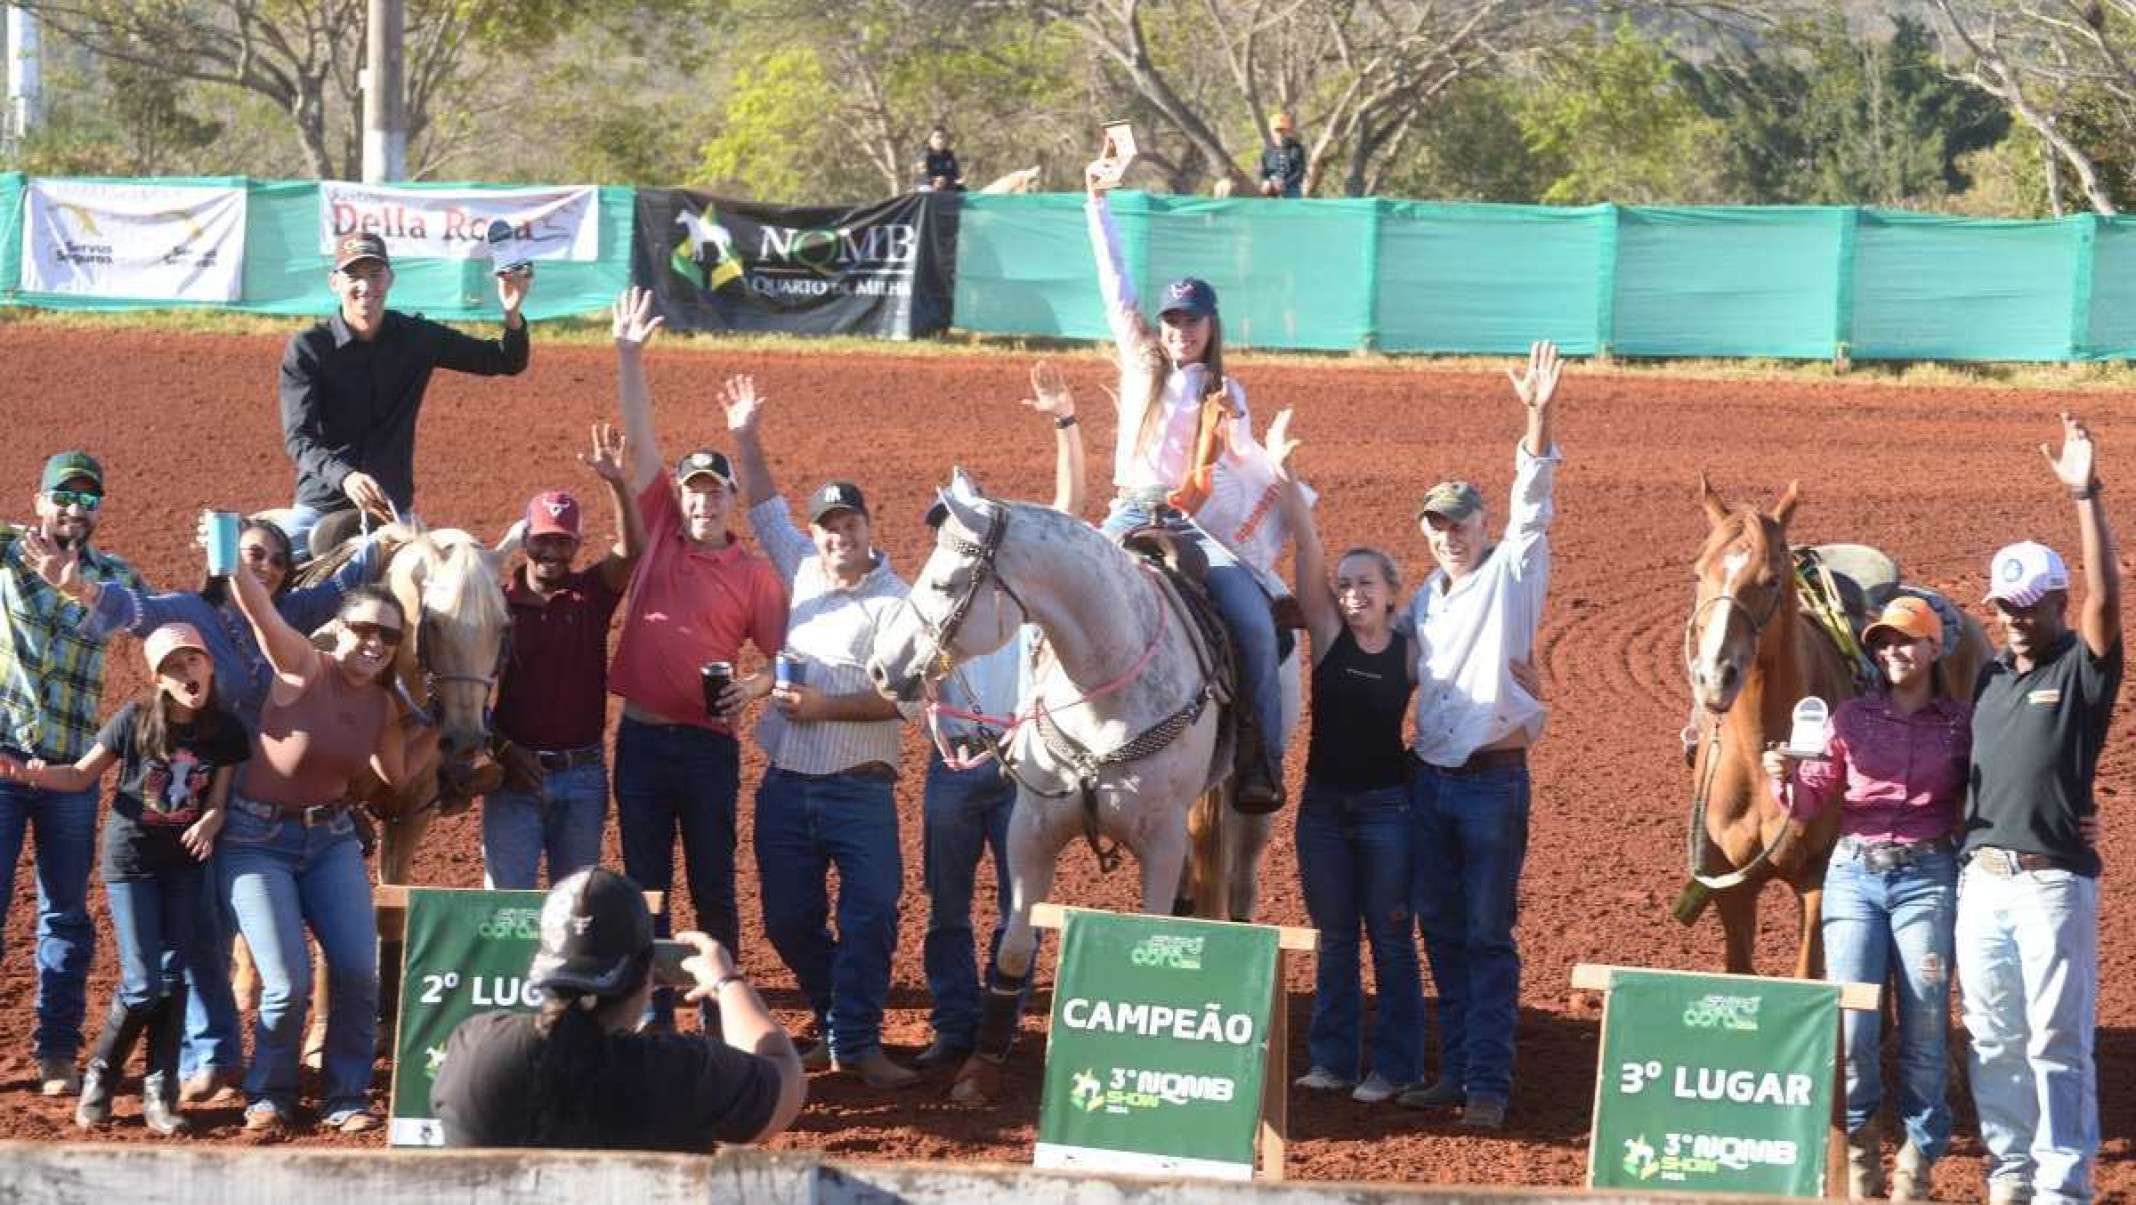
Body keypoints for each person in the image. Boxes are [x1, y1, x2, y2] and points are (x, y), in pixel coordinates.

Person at [63, 514, 383, 1103]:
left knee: (228, 938)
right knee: (201, 937)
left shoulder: (290, 617)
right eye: (251, 553)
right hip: (202, 806)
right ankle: (206, 1055)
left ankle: (245, 1063)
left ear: (286, 578)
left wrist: (387, 526)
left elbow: (351, 586)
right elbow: (135, 610)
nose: (261, 565)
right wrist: (83, 587)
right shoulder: (191, 612)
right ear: (227, 557)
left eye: (274, 560)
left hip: (275, 803)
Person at [725, 374, 920, 1089]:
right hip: (787, 782)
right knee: (787, 919)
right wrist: (745, 434)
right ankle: (841, 1019)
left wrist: (824, 704)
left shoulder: (899, 603)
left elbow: (906, 699)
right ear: (817, 536)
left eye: (850, 524)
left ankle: (858, 1041)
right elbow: (762, 504)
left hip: (859, 786)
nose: (840, 536)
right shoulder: (801, 568)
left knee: (871, 911)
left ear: (871, 529)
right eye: (829, 526)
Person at [603, 287, 787, 1030]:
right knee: (646, 887)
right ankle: (654, 1019)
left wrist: (753, 685)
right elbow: (641, 441)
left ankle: (721, 1017)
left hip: (709, 748)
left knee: (714, 886)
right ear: (677, 496)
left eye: (714, 490)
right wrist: (628, 355)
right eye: (692, 489)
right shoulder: (658, 536)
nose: (702, 500)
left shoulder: (754, 577)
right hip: (642, 739)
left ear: (732, 500)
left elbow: (780, 661)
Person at [1085, 141, 1287, 809]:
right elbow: (1113, 276)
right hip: (1126, 512)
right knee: (1055, 594)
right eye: (1172, 319)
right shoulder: (1139, 359)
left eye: (1190, 320)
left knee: (1255, 623)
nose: (1179, 331)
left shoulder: (1229, 390)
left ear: (1210, 326)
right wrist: (1096, 201)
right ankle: (1035, 736)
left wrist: (1249, 444)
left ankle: (1258, 755)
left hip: (1191, 523)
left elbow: (1239, 468)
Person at [1394, 340, 1563, 1130]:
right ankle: (1454, 1070)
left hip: (1492, 782)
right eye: (1436, 523)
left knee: (1488, 934)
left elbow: (1534, 504)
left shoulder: (1512, 573)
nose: (1448, 533)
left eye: (1458, 521)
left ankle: (1488, 1083)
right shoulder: (1423, 600)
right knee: (1442, 929)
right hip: (1430, 780)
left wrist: (1536, 414)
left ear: (1480, 523)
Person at [1958, 413, 2119, 1205]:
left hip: (2052, 883)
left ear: (2056, 600)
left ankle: (2064, 1183)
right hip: (1981, 882)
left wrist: (2086, 496)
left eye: (2029, 604)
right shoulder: (1988, 681)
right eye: (2004, 604)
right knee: (1993, 1038)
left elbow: (2107, 602)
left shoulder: (2082, 673)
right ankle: (2010, 1172)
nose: (2015, 617)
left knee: (2057, 1039)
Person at [1, 623, 248, 1135]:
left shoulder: (226, 730)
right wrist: (32, 773)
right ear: (158, 678)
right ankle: (101, 1075)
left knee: (174, 978)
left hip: (185, 863)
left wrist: (210, 819)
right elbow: (81, 775)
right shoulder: (134, 720)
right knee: (142, 983)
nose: (187, 672)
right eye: (174, 666)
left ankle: (161, 1092)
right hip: (132, 861)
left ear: (209, 666)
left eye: (193, 661)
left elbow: (220, 801)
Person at [1761, 595, 1968, 1200]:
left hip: (1928, 875)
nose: (1893, 652)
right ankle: (1857, 1151)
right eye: (1882, 642)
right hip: (1855, 875)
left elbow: (1993, 793)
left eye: (1906, 640)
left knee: (1926, 1024)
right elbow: (1809, 802)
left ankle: (1918, 1159)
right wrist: (1782, 779)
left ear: (1934, 648)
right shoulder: (1850, 718)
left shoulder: (1962, 723)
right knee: (1854, 1025)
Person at [914, 362, 1085, 1069]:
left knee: (1021, 906)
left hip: (1019, 766)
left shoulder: (1023, 595)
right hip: (953, 764)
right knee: (947, 908)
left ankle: (1001, 1026)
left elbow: (1069, 514)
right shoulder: (926, 608)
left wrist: (1065, 424)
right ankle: (956, 1026)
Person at [219, 554, 416, 1133]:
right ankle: (271, 1094)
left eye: (388, 636)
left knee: (357, 969)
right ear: (339, 629)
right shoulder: (305, 664)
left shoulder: (381, 705)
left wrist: (463, 727)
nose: (375, 643)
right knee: (288, 980)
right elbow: (260, 613)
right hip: (256, 838)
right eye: (364, 629)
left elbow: (398, 777)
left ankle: (345, 1095)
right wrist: (232, 560)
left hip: (329, 839)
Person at [433, 867, 803, 1150]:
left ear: (544, 963)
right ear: (646, 973)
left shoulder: (475, 1049)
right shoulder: (680, 1071)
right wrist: (727, 982)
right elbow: (783, 1081)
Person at [1273, 443, 1426, 1106]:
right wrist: (1288, 486)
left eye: (1367, 582)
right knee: (1335, 939)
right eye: (1346, 583)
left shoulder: (1412, 651)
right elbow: (1307, 557)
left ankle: (1396, 1065)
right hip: (1325, 810)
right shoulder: (1328, 639)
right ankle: (1334, 1060)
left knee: (1390, 938)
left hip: (1389, 810)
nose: (1354, 591)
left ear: (1393, 594)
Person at [0, 450, 147, 1097]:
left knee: (64, 914)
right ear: (38, 502)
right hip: (3, 762)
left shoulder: (113, 576)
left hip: (72, 774)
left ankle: (56, 1050)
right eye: (63, 496)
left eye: (87, 500)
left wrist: (76, 583)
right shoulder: (8, 556)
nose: (74, 510)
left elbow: (145, 617)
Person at [275, 230, 533, 557]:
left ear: (390, 279)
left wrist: (512, 314)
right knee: (261, 564)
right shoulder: (309, 348)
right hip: (320, 506)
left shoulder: (416, 338)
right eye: (353, 275)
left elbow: (503, 360)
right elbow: (299, 438)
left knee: (441, 592)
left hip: (392, 513)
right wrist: (345, 477)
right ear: (334, 282)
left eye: (375, 275)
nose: (365, 287)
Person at [482, 422, 646, 891]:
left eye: (563, 541)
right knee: (505, 905)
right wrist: (503, 749)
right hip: (515, 779)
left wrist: (617, 482)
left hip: (583, 775)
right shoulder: (498, 604)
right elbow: (467, 694)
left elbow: (633, 549)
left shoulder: (591, 594)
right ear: (525, 541)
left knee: (576, 908)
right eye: (543, 540)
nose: (551, 551)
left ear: (576, 546)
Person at [1258, 112, 1306, 198]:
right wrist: (1266, 181)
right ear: (1271, 131)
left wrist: (1285, 183)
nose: (1280, 133)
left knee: (1294, 205)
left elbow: (1300, 171)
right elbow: (1263, 171)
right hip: (1271, 189)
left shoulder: (1296, 148)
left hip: (1291, 187)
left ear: (1288, 130)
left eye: (1283, 129)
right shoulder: (1267, 150)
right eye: (1277, 130)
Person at [920, 126, 964, 192]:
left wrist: (947, 180)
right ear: (930, 139)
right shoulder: (924, 156)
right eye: (937, 137)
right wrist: (935, 180)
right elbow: (923, 176)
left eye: (943, 137)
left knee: (963, 191)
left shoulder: (950, 156)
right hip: (929, 187)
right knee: (927, 190)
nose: (940, 140)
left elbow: (956, 175)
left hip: (948, 187)